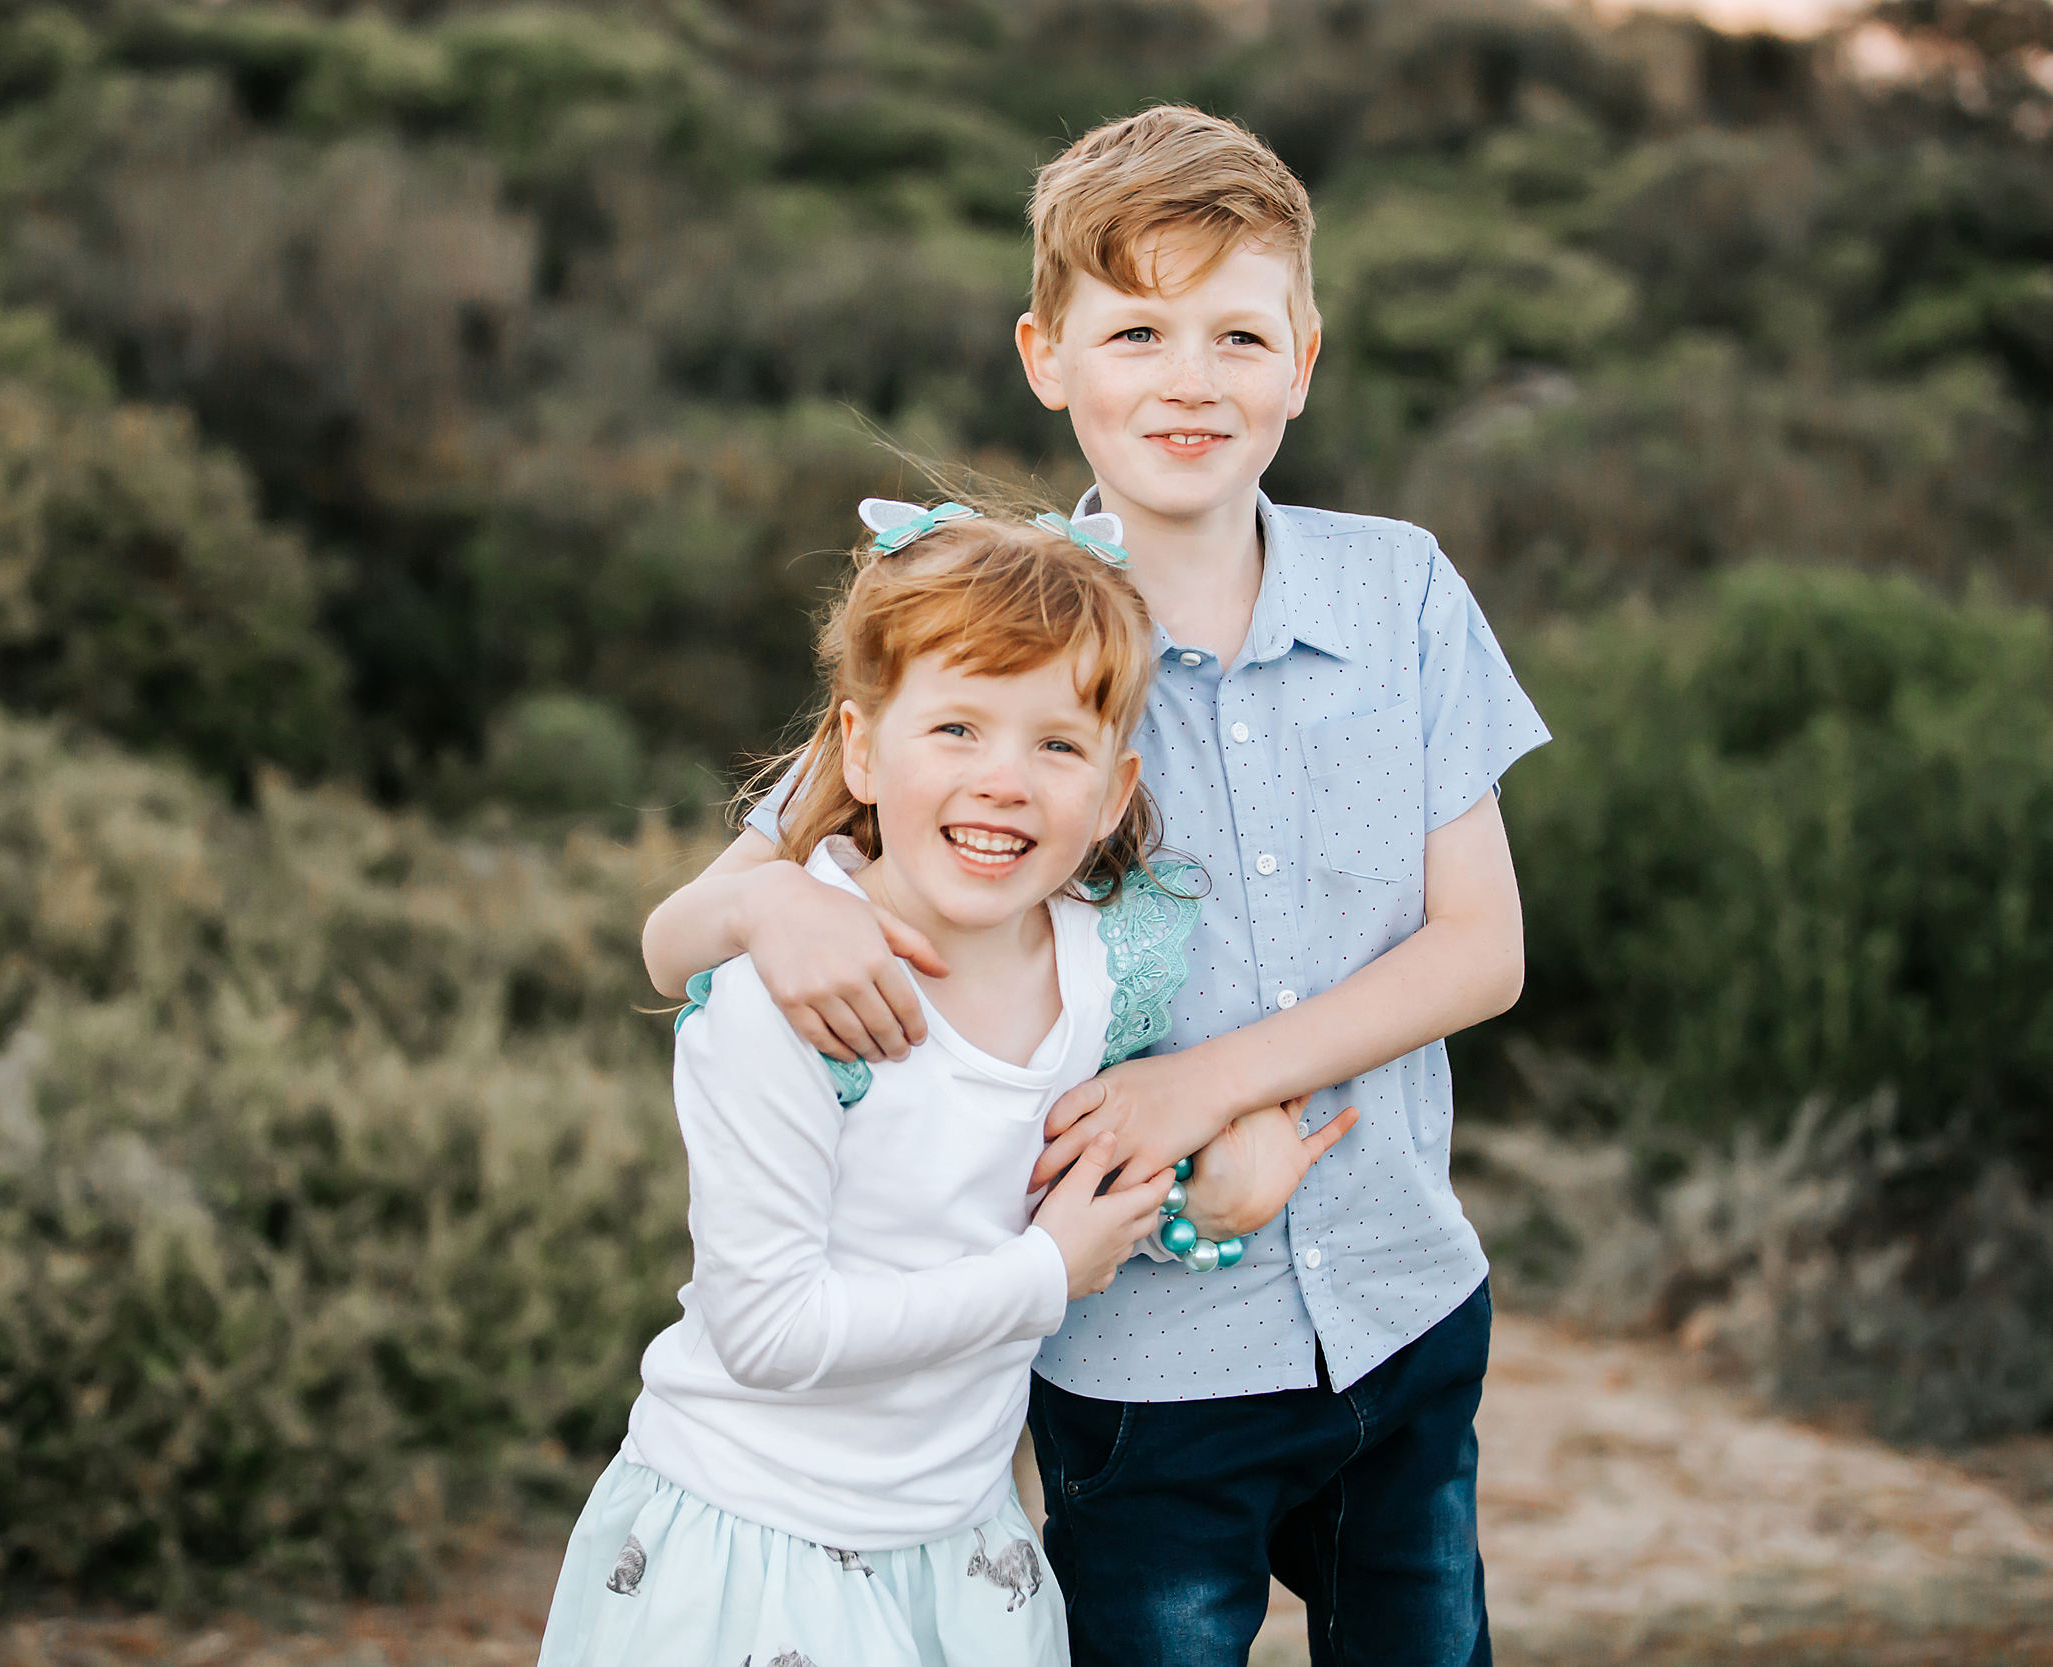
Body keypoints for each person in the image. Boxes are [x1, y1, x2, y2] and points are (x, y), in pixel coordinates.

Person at [640, 107, 1551, 1666]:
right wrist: (777, 905)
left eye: (1237, 334)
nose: (1189, 379)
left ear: (1304, 358)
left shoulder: (1398, 586)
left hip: (1404, 1304)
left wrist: (1202, 1082)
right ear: (1047, 355)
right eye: (1135, 330)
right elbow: (680, 932)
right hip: (1138, 1363)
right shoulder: (1004, 629)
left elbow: (1483, 950)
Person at [538, 504, 1338, 1667]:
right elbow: (769, 1329)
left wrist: (1198, 1210)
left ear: (1114, 793)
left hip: (962, 1556)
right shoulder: (791, 1000)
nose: (1004, 780)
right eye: (956, 727)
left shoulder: (1105, 967)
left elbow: (1048, 1203)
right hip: (756, 1546)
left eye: (1056, 745)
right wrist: (1041, 1274)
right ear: (859, 749)